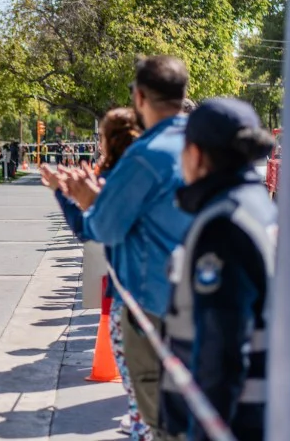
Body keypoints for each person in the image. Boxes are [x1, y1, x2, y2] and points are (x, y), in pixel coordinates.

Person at [61, 55, 194, 440]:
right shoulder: (206, 148)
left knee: (152, 419)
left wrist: (87, 199)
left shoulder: (145, 155)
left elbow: (102, 228)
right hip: (203, 302)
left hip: (148, 304)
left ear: (139, 97)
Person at [160, 98, 276, 441]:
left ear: (196, 154)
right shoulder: (259, 208)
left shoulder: (223, 225)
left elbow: (221, 350)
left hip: (231, 422)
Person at [41, 108, 151, 440]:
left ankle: (140, 426)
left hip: (128, 295)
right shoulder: (152, 173)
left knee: (140, 390)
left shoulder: (117, 180)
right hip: (167, 294)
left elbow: (87, 228)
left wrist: (61, 191)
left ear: (109, 140)